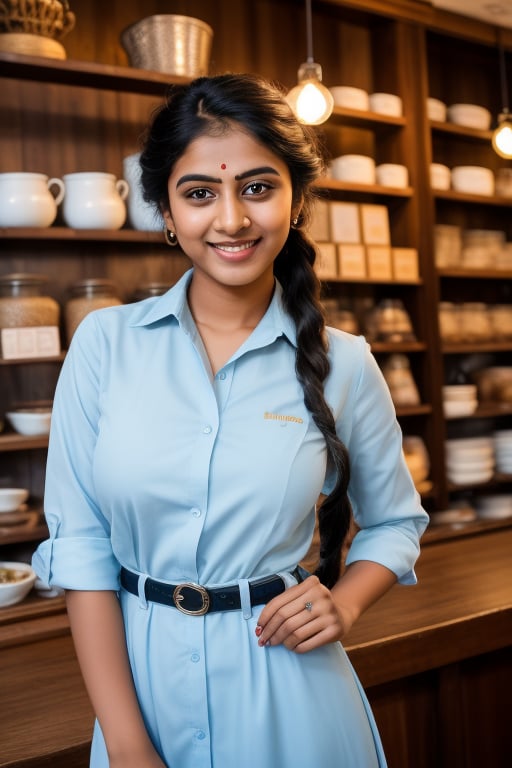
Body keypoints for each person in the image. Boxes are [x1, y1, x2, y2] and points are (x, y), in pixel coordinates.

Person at [33, 73, 429, 768]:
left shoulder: (347, 364)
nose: (231, 220)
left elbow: (396, 521)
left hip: (293, 693)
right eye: (199, 193)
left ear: (297, 199)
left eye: (257, 187)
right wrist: (126, 745)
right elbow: (83, 549)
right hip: (142, 694)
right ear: (163, 211)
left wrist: (347, 603)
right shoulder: (104, 344)